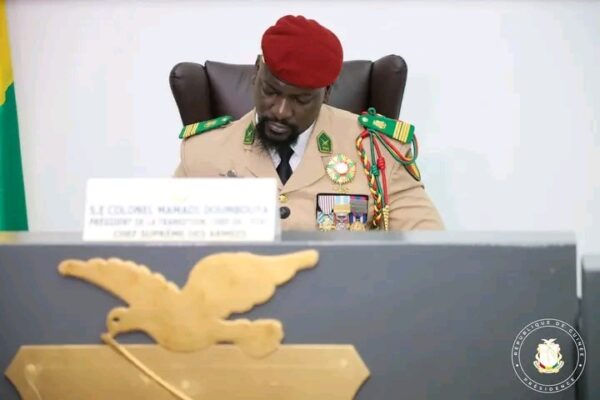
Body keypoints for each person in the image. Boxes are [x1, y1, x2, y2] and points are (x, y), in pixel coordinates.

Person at [174, 15, 443, 231]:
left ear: (327, 93)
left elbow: (428, 245)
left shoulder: (377, 151)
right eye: (271, 91)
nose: (280, 111)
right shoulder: (203, 153)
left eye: (300, 100)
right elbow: (165, 247)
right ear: (256, 72)